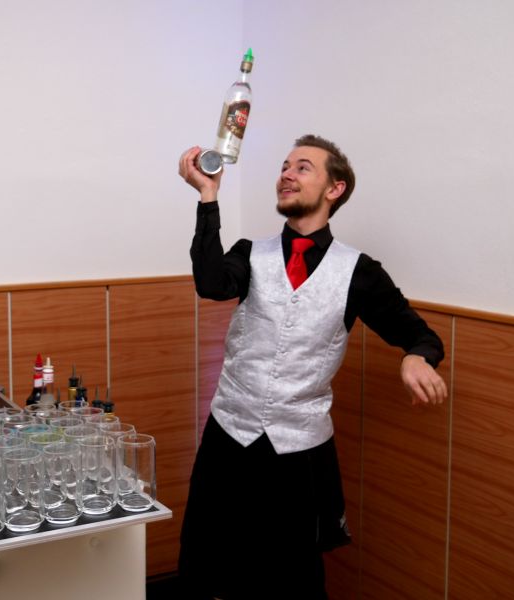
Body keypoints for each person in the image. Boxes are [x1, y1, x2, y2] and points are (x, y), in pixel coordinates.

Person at [176, 135, 448, 599]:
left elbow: (421, 335)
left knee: (293, 577)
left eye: (302, 167)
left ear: (334, 189)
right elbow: (211, 283)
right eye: (284, 166)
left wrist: (416, 357)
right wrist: (208, 195)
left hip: (299, 451)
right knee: (209, 565)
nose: (286, 174)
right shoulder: (248, 253)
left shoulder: (359, 271)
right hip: (229, 436)